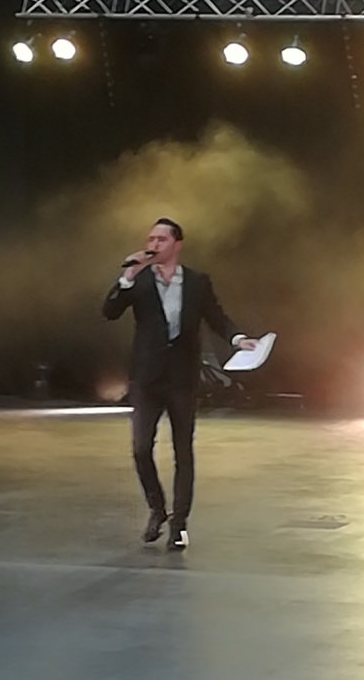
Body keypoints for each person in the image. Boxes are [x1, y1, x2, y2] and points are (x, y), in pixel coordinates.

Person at [102, 218, 255, 550]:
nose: (153, 245)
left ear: (176, 245)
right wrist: (127, 277)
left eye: (161, 239)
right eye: (150, 239)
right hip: (147, 377)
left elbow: (216, 316)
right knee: (141, 448)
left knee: (183, 451)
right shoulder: (139, 280)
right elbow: (110, 311)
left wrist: (237, 338)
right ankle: (157, 509)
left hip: (182, 378)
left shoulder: (197, 282)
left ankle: (179, 525)